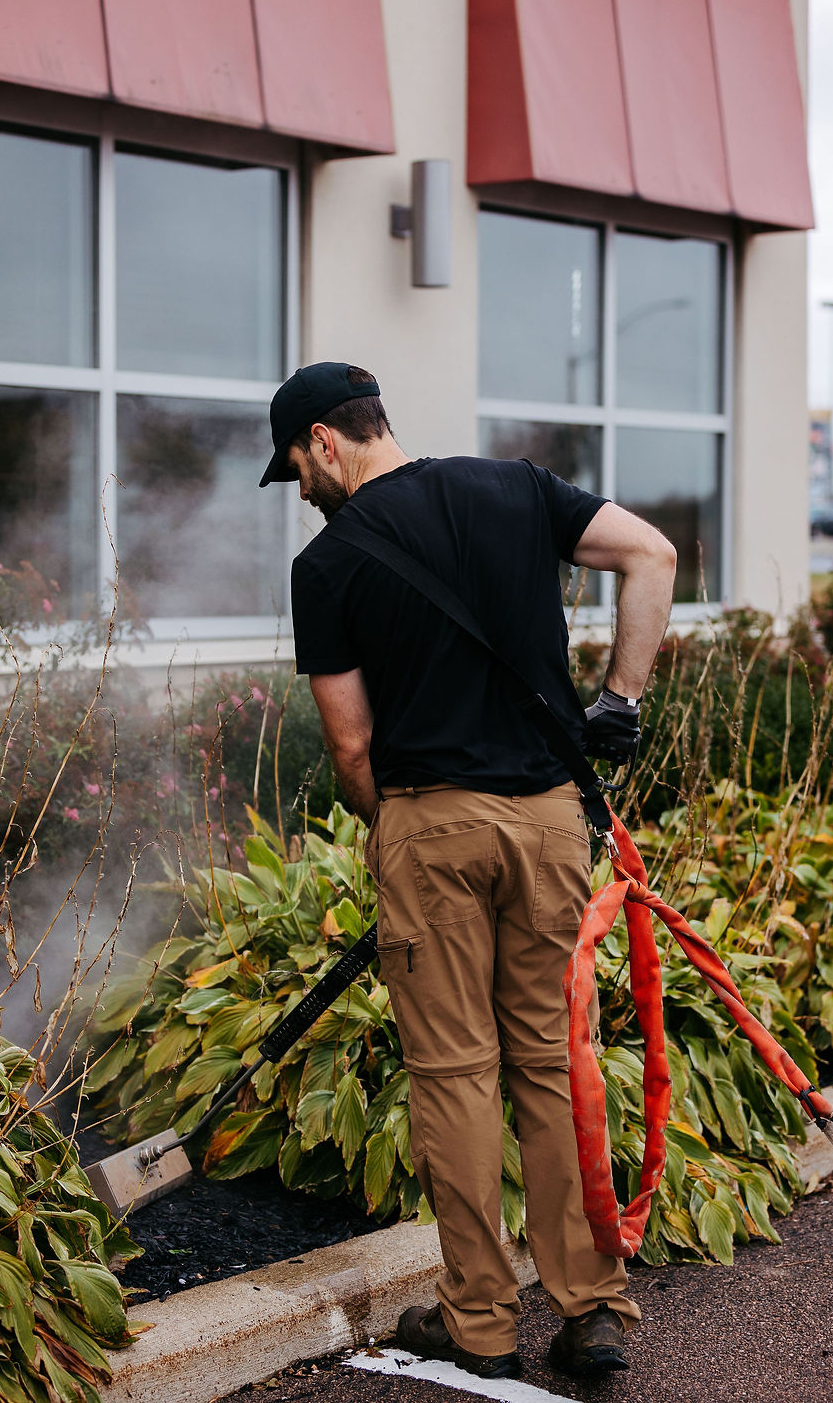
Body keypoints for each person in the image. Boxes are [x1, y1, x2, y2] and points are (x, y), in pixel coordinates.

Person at [259, 361, 677, 1380]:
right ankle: (589, 1308)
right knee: (547, 1057)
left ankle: (481, 1321)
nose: (301, 495)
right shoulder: (516, 488)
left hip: (427, 825)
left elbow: (352, 748)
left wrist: (400, 836)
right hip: (545, 825)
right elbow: (652, 555)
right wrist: (618, 700)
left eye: (294, 472)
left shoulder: (326, 568)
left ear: (322, 440)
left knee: (451, 1075)